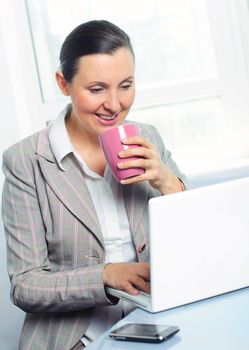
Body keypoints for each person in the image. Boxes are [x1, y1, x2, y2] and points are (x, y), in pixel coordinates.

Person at [2, 20, 189, 350]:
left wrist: (166, 181)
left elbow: (196, 239)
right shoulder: (26, 161)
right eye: (97, 89)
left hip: (157, 324)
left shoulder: (148, 138)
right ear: (64, 83)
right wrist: (106, 275)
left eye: (126, 85)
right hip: (75, 339)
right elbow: (25, 284)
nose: (115, 105)